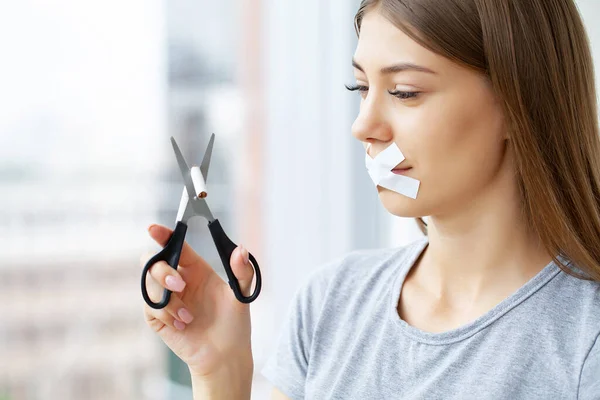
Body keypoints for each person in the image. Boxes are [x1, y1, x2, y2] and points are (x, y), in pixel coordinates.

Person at [141, 0, 600, 398]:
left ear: (518, 103)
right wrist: (221, 374)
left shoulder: (585, 340)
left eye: (405, 92)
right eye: (361, 88)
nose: (363, 125)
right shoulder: (329, 305)